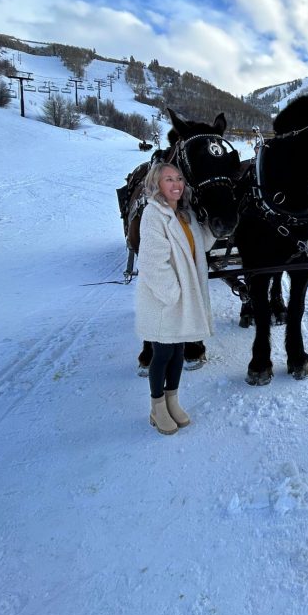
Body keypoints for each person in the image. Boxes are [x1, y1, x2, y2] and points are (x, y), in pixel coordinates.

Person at [135, 163, 216, 435]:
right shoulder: (153, 214)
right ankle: (157, 408)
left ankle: (173, 400)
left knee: (179, 350)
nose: (176, 184)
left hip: (183, 297)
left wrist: (214, 223)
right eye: (168, 179)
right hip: (164, 298)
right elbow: (152, 262)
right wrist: (173, 294)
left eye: (179, 178)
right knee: (163, 353)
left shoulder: (185, 213)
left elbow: (202, 245)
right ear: (157, 185)